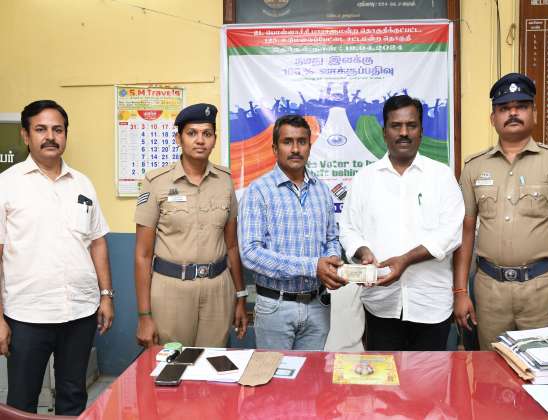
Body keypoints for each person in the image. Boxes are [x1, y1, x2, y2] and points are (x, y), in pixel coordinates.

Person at [453, 73, 548, 350]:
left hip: (542, 290)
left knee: (543, 369)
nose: (513, 113)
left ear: (534, 114)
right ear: (493, 118)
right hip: (489, 291)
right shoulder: (474, 167)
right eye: (504, 108)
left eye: (521, 106)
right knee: (491, 368)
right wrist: (460, 292)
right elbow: (465, 232)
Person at [0, 100, 114, 415]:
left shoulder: (83, 183)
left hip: (79, 311)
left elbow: (98, 243)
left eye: (57, 129)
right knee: (22, 401)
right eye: (41, 129)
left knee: (73, 396)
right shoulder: (7, 184)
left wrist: (106, 295)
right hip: (27, 316)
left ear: (65, 134)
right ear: (25, 136)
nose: (50, 136)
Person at [339, 95, 464, 351]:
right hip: (380, 304)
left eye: (411, 125)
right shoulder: (365, 179)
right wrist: (363, 252)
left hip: (431, 305)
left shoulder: (441, 176)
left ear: (421, 131)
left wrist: (405, 260)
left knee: (430, 376)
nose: (404, 133)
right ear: (384, 132)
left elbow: (450, 234)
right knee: (383, 376)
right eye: (396, 126)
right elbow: (349, 229)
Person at [134, 103, 248, 348]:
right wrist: (144, 316)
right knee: (171, 364)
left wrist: (240, 296)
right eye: (192, 133)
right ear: (179, 138)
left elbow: (231, 246)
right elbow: (143, 254)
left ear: (214, 139)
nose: (200, 140)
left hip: (217, 290)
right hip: (171, 290)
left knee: (212, 363)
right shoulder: (156, 182)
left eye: (207, 133)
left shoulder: (224, 181)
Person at [238, 114, 345, 350]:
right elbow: (250, 253)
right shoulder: (258, 192)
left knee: (311, 372)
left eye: (302, 142)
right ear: (275, 148)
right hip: (275, 306)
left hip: (318, 305)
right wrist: (312, 266)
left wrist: (332, 261)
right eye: (288, 142)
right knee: (275, 371)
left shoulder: (322, 190)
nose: (295, 149)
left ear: (309, 146)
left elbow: (332, 238)